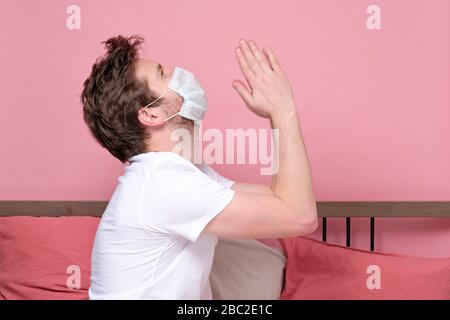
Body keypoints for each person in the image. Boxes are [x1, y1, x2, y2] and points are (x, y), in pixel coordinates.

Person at [80, 34, 317, 299]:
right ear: (151, 114)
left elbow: (282, 199)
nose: (176, 71)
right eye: (162, 73)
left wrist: (275, 115)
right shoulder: (163, 183)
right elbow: (300, 216)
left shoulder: (178, 173)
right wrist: (283, 110)